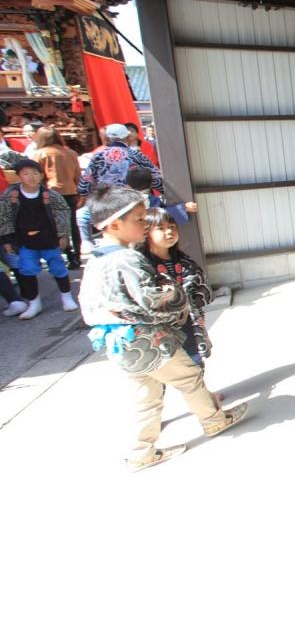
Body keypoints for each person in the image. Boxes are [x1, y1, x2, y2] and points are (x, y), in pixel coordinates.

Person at [79, 186, 247, 471]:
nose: (144, 224)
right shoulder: (128, 258)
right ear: (115, 224)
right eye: (139, 219)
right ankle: (215, 420)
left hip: (118, 343)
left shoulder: (96, 258)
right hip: (147, 339)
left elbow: (88, 304)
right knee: (189, 377)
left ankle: (141, 451)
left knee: (147, 396)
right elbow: (152, 300)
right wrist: (176, 293)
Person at [0, 158, 76, 319]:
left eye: (35, 173)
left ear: (41, 175)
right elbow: (4, 216)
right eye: (25, 173)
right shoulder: (11, 195)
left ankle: (67, 297)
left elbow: (62, 213)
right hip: (25, 240)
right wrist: (7, 239)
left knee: (58, 267)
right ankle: (34, 303)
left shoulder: (50, 194)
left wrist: (63, 234)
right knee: (27, 270)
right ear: (19, 176)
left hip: (49, 239)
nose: (31, 177)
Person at [143, 207, 213, 366]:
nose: (169, 232)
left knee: (195, 361)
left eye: (172, 226)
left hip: (190, 321)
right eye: (161, 228)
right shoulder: (144, 266)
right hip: (162, 326)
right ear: (146, 233)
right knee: (173, 365)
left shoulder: (185, 261)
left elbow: (202, 289)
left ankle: (199, 382)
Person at [77, 123, 162, 249]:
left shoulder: (98, 156)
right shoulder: (136, 155)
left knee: (82, 216)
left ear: (107, 138)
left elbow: (84, 184)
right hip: (132, 201)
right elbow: (156, 178)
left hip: (106, 202)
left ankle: (87, 244)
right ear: (127, 137)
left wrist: (92, 196)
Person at [32, 126, 83, 268]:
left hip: (51, 192)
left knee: (55, 226)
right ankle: (77, 255)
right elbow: (78, 175)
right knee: (73, 225)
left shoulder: (40, 153)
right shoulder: (71, 153)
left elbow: (36, 176)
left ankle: (67, 253)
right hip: (70, 191)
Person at [126, 166, 197, 226]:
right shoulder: (145, 201)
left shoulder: (131, 201)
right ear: (151, 184)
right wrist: (183, 208)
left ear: (129, 186)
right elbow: (158, 216)